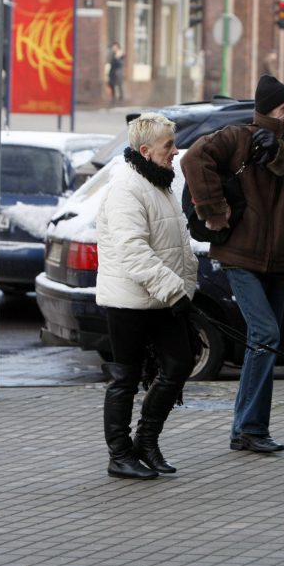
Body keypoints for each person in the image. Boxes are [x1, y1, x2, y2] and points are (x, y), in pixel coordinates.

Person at [180, 75, 284, 454]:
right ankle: (249, 428)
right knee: (265, 336)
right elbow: (194, 158)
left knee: (264, 345)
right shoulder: (237, 138)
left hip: (277, 262)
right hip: (239, 258)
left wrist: (279, 153)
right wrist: (213, 212)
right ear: (267, 112)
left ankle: (246, 430)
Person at [96, 112, 199, 479]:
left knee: (178, 364)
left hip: (162, 298)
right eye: (168, 145)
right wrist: (175, 291)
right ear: (145, 150)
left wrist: (184, 288)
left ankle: (147, 442)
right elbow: (133, 251)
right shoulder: (127, 187)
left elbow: (174, 243)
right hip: (129, 301)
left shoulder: (159, 181)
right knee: (125, 377)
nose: (175, 151)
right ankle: (119, 454)